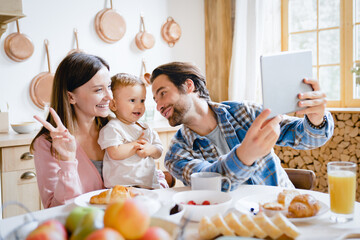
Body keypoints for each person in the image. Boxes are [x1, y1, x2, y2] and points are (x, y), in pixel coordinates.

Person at [150, 62, 334, 191]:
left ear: (188, 86)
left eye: (163, 93)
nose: (159, 106)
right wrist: (244, 155)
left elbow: (308, 138)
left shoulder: (244, 112)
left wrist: (316, 117)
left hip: (283, 210)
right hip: (234, 225)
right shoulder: (176, 154)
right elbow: (209, 183)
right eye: (155, 100)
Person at [30, 52, 113, 208]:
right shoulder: (47, 144)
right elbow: (53, 208)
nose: (109, 96)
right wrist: (67, 161)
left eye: (109, 86)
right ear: (70, 97)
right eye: (98, 90)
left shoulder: (117, 128)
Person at [98, 73, 168, 189]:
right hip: (122, 187)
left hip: (149, 185)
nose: (139, 106)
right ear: (114, 104)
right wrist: (136, 145)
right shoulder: (113, 128)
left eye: (142, 100)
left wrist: (151, 149)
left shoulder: (145, 127)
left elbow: (159, 150)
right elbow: (115, 152)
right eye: (132, 100)